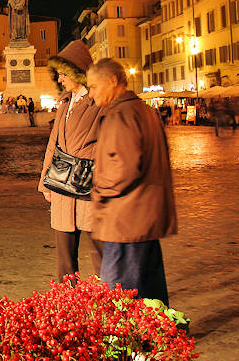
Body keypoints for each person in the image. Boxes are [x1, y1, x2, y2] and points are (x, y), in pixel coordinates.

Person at [87, 58, 177, 305]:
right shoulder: (144, 111)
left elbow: (122, 171)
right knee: (151, 294)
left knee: (119, 299)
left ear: (113, 81)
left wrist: (98, 192)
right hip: (145, 217)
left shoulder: (120, 115)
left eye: (94, 87)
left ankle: (123, 342)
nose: (91, 94)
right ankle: (161, 339)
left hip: (125, 220)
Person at [40, 40, 104, 283]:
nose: (60, 79)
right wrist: (45, 183)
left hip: (91, 182)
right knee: (65, 252)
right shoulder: (65, 102)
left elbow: (112, 140)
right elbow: (53, 143)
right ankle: (66, 302)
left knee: (99, 248)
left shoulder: (99, 101)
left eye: (63, 73)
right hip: (62, 182)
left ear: (78, 71)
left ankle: (107, 300)